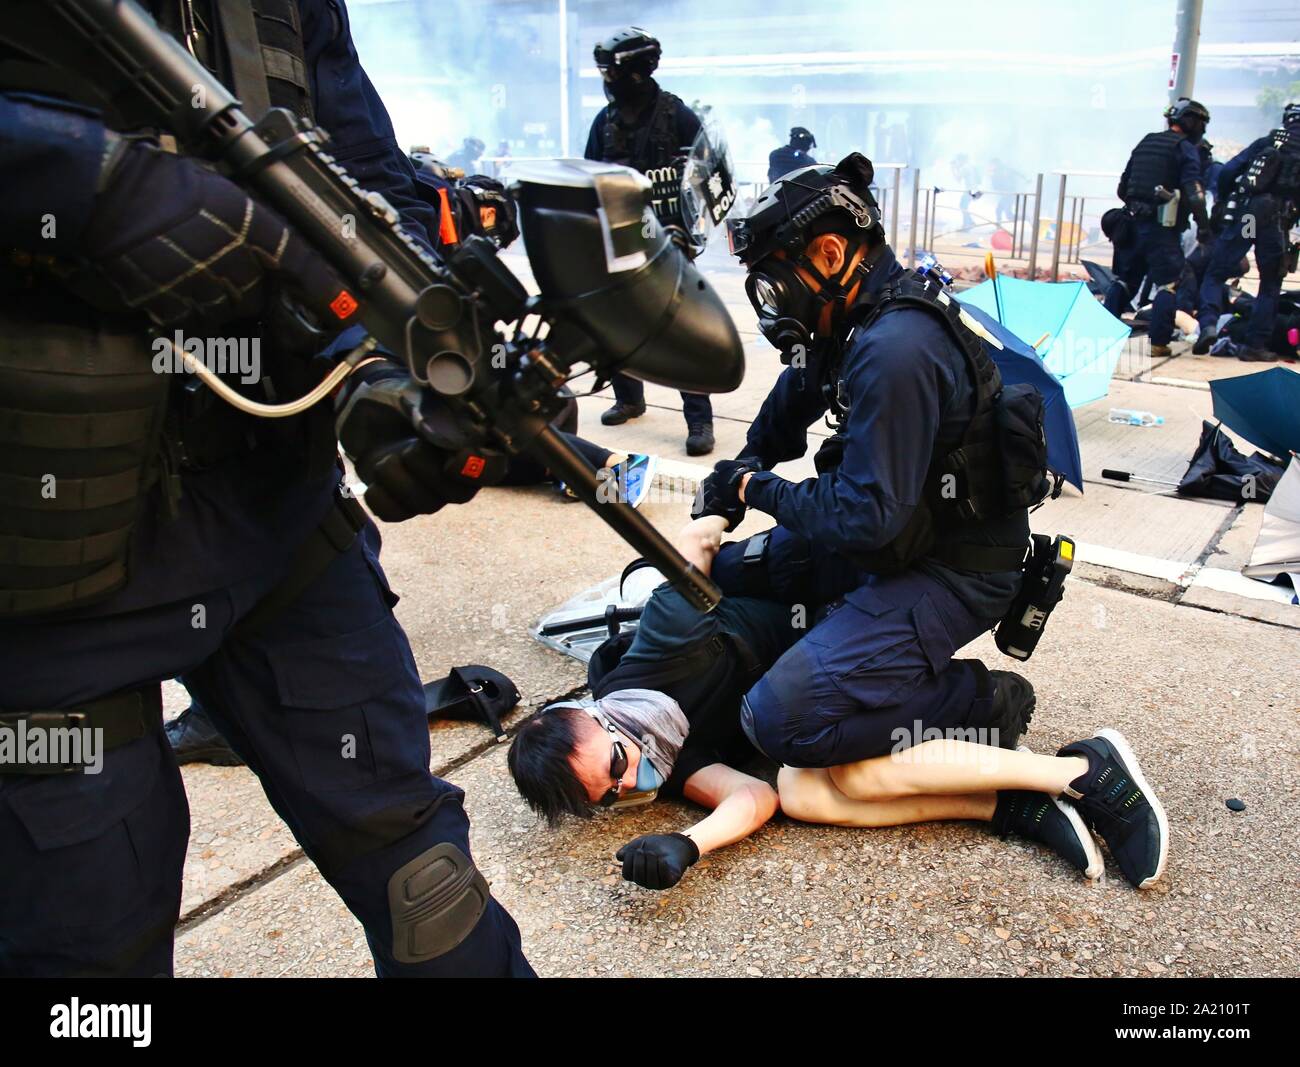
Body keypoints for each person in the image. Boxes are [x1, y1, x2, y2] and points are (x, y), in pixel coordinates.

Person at [0, 0, 531, 977]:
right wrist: (90, 185)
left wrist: (401, 354)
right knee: (85, 952)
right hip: (44, 562)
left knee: (429, 885)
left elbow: (369, 181)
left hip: (277, 514)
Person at [508, 517, 1170, 892]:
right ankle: (1013, 805)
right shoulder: (665, 757)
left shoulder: (664, 643)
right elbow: (754, 799)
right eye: (613, 794)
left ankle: (1083, 772)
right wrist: (688, 841)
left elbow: (692, 551)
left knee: (839, 765)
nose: (635, 782)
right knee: (799, 791)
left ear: (599, 713)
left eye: (617, 763)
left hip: (860, 657)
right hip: (821, 721)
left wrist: (718, 511)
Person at [681, 152, 1068, 793]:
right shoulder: (852, 318)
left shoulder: (896, 349)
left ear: (830, 254)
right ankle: (842, 641)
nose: (772, 300)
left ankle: (978, 703)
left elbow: (863, 515)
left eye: (775, 282)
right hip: (897, 535)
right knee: (715, 577)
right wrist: (743, 464)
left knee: (779, 722)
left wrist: (757, 490)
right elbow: (797, 392)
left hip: (951, 567)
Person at [583, 26, 714, 456]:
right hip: (622, 241)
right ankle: (628, 398)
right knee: (618, 323)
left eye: (611, 73)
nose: (607, 81)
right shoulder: (605, 122)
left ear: (636, 73)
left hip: (670, 241)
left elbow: (709, 178)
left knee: (681, 328)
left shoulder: (679, 117)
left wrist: (690, 227)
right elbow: (588, 178)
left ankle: (699, 421)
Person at [1103, 98, 1213, 358]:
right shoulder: (1185, 149)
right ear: (1193, 122)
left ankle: (1103, 338)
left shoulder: (1147, 141)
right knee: (1167, 285)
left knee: (1124, 282)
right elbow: (1195, 194)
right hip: (1161, 229)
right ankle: (1157, 343)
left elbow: (1123, 187)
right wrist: (1205, 227)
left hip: (1129, 224)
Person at [1192, 102, 1300, 361]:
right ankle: (1254, 346)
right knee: (1270, 283)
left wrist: (1225, 199)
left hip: (1251, 216)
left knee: (1217, 272)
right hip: (1275, 222)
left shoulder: (1270, 140)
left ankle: (1207, 324)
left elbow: (1229, 170)